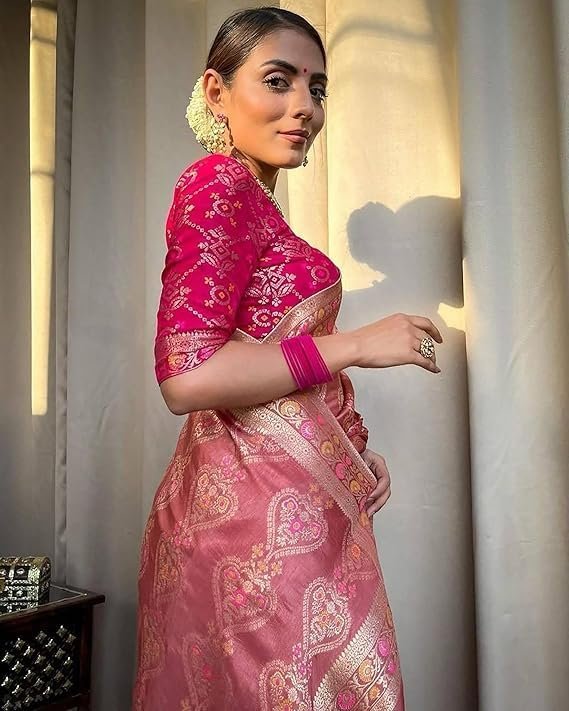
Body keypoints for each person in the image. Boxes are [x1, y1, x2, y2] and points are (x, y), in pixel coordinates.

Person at [133, 7, 442, 710]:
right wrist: (359, 343)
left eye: (316, 87)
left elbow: (267, 358)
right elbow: (188, 377)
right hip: (247, 529)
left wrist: (347, 445)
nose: (304, 105)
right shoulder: (216, 185)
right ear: (217, 92)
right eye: (278, 80)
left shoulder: (255, 201)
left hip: (283, 508)